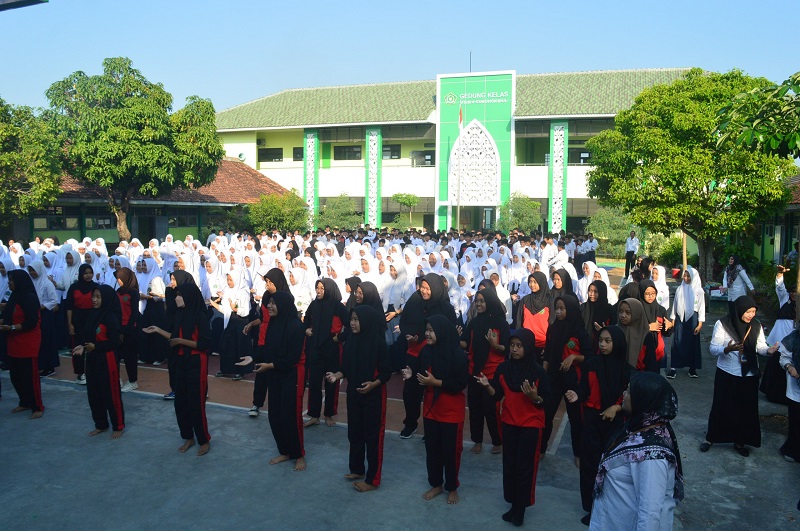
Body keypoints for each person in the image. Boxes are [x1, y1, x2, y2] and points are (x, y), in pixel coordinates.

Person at [590, 372, 684, 530]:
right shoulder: (641, 428)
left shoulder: (652, 456)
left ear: (643, 399)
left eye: (628, 391)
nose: (624, 395)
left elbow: (649, 513)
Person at [476, 328, 549, 527]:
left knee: (525, 467)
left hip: (530, 425)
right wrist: (486, 385)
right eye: (512, 345)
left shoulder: (538, 372)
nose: (515, 349)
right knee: (510, 465)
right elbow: (497, 395)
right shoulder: (503, 369)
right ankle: (513, 504)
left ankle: (521, 508)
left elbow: (546, 402)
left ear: (528, 347)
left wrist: (535, 398)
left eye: (519, 346)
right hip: (509, 423)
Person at [566, 326, 631, 525]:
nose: (602, 344)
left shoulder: (625, 369)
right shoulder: (591, 364)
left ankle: (610, 507)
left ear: (617, 343)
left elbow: (629, 396)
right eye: (601, 340)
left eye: (608, 341)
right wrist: (578, 395)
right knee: (589, 465)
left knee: (612, 468)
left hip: (614, 423)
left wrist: (617, 407)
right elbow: (584, 388)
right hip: (592, 420)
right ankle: (592, 507)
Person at [700, 295, 779, 457]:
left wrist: (768, 351)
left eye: (753, 311)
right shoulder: (723, 324)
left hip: (749, 374)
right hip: (727, 372)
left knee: (745, 409)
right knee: (721, 406)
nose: (751, 315)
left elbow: (760, 347)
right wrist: (727, 349)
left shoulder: (756, 326)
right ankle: (711, 438)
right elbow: (713, 348)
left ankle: (740, 441)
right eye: (748, 311)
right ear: (739, 310)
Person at [402, 314, 468, 505]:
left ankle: (452, 486)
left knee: (451, 451)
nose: (427, 334)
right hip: (431, 408)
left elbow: (460, 383)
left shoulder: (457, 355)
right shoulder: (426, 351)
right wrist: (411, 374)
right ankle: (436, 484)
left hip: (451, 411)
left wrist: (436, 382)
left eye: (431, 330)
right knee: (432, 449)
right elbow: (422, 375)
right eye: (427, 330)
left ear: (441, 332)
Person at [325, 305, 391, 492]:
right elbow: (346, 368)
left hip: (373, 397)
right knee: (355, 432)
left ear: (366, 321)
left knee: (373, 437)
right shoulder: (351, 341)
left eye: (356, 320)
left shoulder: (378, 343)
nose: (352, 323)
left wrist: (373, 384)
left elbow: (386, 372)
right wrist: (336, 376)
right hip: (354, 394)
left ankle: (372, 479)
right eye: (351, 320)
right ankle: (357, 469)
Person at [144, 282, 212, 456]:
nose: (177, 298)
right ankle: (188, 436)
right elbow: (174, 337)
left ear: (189, 296)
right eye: (176, 295)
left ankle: (204, 439)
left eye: (180, 295)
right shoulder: (179, 315)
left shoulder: (200, 316)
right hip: (180, 361)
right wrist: (158, 330)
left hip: (196, 362)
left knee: (196, 403)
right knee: (180, 402)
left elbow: (204, 344)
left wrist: (181, 342)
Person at [242, 291, 306, 470]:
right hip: (275, 374)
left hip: (290, 375)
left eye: (273, 303)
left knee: (290, 416)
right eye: (268, 303)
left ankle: (298, 454)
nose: (269, 306)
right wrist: (253, 358)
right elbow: (266, 350)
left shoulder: (295, 327)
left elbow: (292, 358)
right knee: (274, 415)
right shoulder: (273, 324)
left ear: (283, 304)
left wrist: (270, 365)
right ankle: (284, 451)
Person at [398, 273, 458, 439]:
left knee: (433, 391)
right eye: (422, 287)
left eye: (427, 288)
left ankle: (431, 425)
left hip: (436, 355)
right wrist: (409, 334)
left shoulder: (445, 307)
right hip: (414, 351)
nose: (423, 291)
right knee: (410, 391)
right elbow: (405, 322)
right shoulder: (414, 300)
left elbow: (450, 331)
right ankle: (410, 423)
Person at [542, 293, 591, 459]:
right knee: (547, 414)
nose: (558, 312)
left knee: (576, 418)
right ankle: (541, 449)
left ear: (570, 310)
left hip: (572, 380)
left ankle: (578, 454)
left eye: (562, 308)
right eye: (557, 308)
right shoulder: (553, 328)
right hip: (554, 378)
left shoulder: (580, 332)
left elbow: (589, 357)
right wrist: (543, 375)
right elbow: (548, 354)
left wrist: (574, 357)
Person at [71, 285, 124, 438]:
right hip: (93, 358)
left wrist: (97, 346)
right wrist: (83, 346)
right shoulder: (93, 315)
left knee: (111, 393)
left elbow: (116, 342)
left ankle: (118, 425)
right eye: (93, 296)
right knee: (94, 392)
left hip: (107, 359)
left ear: (106, 298)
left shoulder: (111, 317)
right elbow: (89, 337)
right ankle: (100, 424)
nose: (94, 300)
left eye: (98, 297)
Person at [461, 286, 508, 454]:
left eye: (482, 301)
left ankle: (498, 440)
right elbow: (466, 342)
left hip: (492, 372)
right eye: (477, 301)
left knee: (491, 409)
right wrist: (455, 339)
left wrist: (496, 345)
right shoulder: (473, 323)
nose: (479, 304)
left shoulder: (500, 323)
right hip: (474, 371)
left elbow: (508, 348)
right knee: (475, 408)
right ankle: (477, 441)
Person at [242, 267, 289, 417]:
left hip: (278, 341)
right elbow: (263, 318)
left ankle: (280, 405)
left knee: (277, 374)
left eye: (269, 281)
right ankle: (257, 403)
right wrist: (251, 324)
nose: (267, 284)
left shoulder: (286, 298)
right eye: (266, 281)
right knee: (261, 373)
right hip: (263, 340)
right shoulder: (266, 297)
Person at [304, 278, 349, 427]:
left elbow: (351, 326)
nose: (318, 291)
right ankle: (314, 415)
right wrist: (307, 329)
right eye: (317, 287)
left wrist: (340, 338)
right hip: (316, 348)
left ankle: (329, 414)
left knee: (331, 383)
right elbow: (305, 321)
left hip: (332, 348)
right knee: (315, 382)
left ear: (329, 289)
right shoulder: (314, 304)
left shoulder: (338, 307)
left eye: (322, 288)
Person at [0, 270, 44, 419]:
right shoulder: (15, 296)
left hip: (27, 341)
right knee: (16, 376)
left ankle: (37, 406)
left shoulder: (29, 298)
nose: (9, 283)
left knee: (30, 376)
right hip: (14, 341)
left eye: (11, 280)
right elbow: (7, 318)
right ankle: (24, 401)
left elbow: (31, 322)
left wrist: (11, 327)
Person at [668, 267, 705, 379]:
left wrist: (700, 323)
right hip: (680, 317)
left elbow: (701, 307)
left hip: (693, 318)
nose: (686, 278)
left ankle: (692, 368)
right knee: (677, 341)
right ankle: (673, 368)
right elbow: (675, 303)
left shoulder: (699, 290)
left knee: (692, 342)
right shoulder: (680, 289)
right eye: (685, 275)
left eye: (688, 276)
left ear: (693, 277)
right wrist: (673, 318)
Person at [66, 264, 99, 385]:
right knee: (78, 347)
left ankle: (93, 372)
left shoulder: (96, 287)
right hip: (78, 320)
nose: (88, 275)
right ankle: (80, 374)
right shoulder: (74, 287)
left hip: (92, 319)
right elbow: (69, 307)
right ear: (81, 274)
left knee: (92, 346)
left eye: (90, 272)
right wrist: (70, 324)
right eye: (86, 273)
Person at [114, 267, 141, 392]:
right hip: (118, 327)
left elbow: (134, 314)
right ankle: (116, 379)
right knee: (116, 356)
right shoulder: (118, 292)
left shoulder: (133, 293)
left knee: (130, 356)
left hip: (130, 329)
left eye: (120, 279)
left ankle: (132, 381)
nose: (118, 281)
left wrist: (127, 330)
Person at [778, 329, 800, 463]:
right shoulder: (795, 336)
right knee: (796, 421)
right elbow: (784, 357)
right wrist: (790, 367)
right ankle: (793, 450)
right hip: (796, 387)